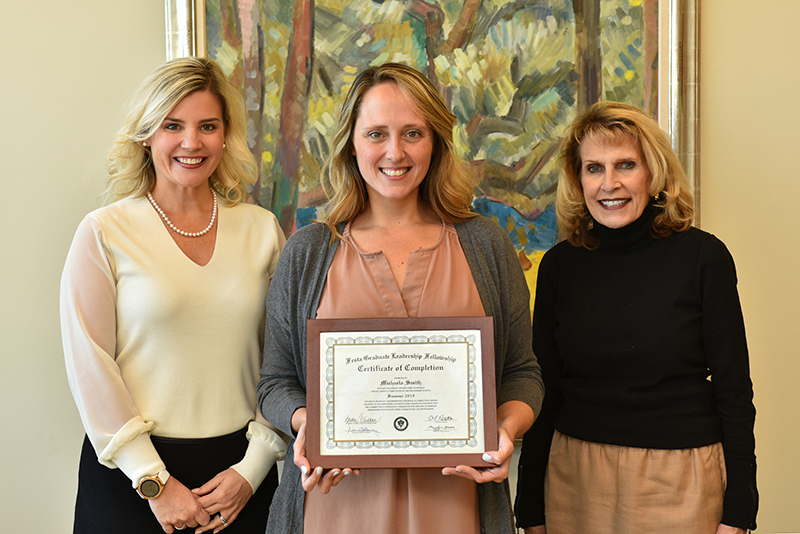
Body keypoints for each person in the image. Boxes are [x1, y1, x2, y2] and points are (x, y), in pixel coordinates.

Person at [256, 62, 544, 533]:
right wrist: (309, 423)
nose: (395, 152)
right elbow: (274, 384)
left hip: (457, 510)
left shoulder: (486, 244)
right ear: (352, 142)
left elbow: (521, 374)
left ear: (435, 142)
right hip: (336, 512)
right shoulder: (307, 252)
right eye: (376, 134)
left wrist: (505, 429)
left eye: (413, 133)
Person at [60, 57, 287, 534]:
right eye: (172, 126)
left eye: (208, 125)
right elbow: (90, 365)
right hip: (132, 483)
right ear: (147, 135)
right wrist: (154, 481)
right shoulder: (104, 232)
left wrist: (253, 469)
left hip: (240, 480)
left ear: (226, 135)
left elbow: (284, 361)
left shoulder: (261, 229)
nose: (191, 142)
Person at [514, 101, 758, 534]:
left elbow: (734, 391)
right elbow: (545, 389)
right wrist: (529, 507)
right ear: (578, 179)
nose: (610, 184)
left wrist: (739, 508)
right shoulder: (559, 266)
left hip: (681, 478)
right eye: (594, 168)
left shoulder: (705, 258)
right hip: (575, 477)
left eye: (625, 164)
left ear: (654, 173)